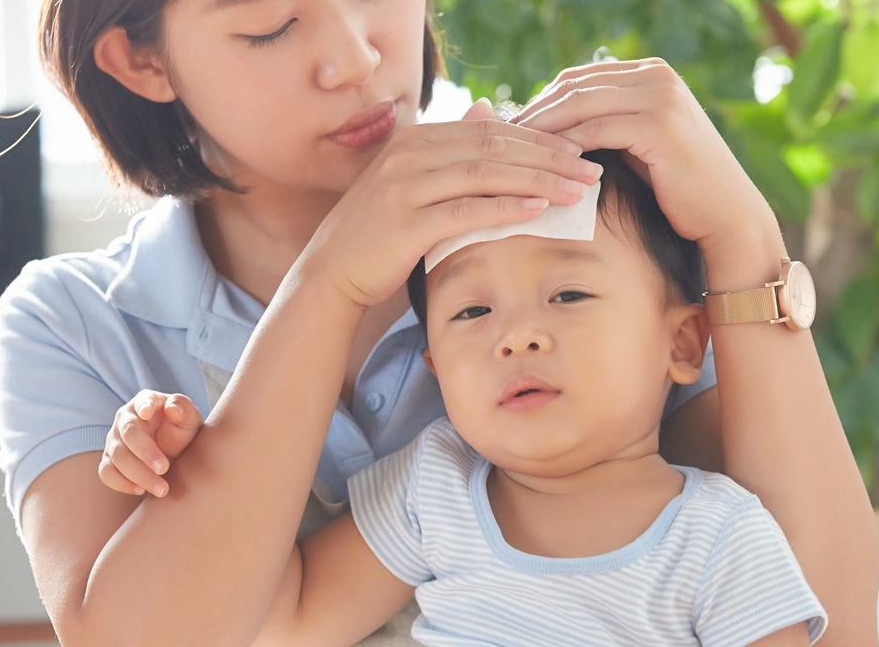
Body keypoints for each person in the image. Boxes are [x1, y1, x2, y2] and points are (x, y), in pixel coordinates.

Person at [0, 0, 879, 645]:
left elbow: (825, 622)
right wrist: (330, 282)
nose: (354, 58)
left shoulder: (572, 231)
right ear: (143, 62)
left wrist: (743, 235)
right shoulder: (69, 323)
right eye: (269, 25)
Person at [99, 150, 829, 646]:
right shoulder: (434, 490)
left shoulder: (722, 537)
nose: (516, 338)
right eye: (472, 313)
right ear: (437, 369)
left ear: (681, 344)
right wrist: (188, 467)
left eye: (568, 293)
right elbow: (276, 621)